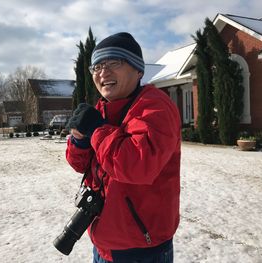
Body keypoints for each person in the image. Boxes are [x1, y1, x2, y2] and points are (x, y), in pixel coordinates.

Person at [66, 32, 181, 263]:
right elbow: (80, 165)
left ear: (138, 70)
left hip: (141, 250)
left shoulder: (155, 107)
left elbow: (138, 165)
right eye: (97, 66)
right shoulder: (103, 110)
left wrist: (97, 130)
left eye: (113, 62)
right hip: (103, 244)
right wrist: (79, 140)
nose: (103, 72)